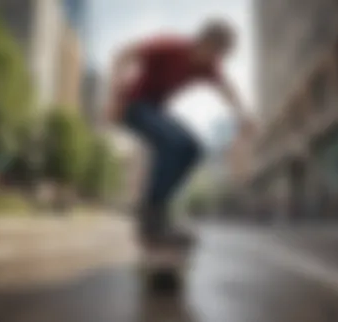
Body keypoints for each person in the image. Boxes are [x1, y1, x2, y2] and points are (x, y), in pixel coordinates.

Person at [106, 18, 255, 246]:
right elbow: (124, 53)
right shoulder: (171, 46)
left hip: (154, 110)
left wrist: (243, 115)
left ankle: (158, 213)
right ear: (204, 42)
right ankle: (151, 215)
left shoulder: (208, 67)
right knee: (175, 143)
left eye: (221, 56)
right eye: (216, 53)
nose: (217, 61)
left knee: (193, 149)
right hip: (134, 105)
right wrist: (115, 94)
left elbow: (228, 89)